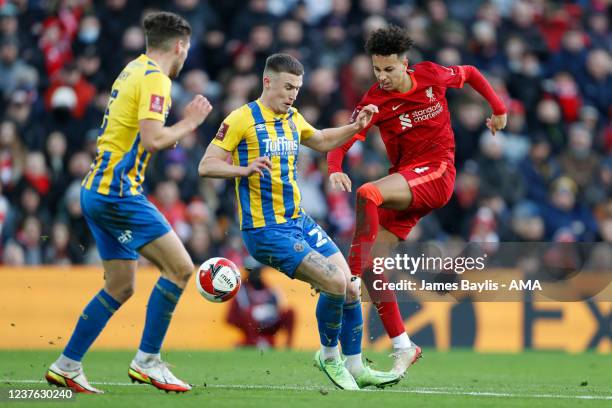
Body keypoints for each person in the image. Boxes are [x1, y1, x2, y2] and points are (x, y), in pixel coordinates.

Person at [199, 53, 399, 390]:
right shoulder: (241, 119)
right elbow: (206, 165)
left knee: (351, 284)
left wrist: (355, 127)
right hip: (266, 230)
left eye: (297, 88)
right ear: (268, 82)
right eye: (288, 87)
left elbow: (320, 140)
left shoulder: (292, 117)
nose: (293, 94)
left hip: (298, 220)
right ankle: (329, 357)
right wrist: (242, 169)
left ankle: (355, 365)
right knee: (334, 282)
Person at [45, 12, 212, 394]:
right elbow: (153, 140)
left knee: (120, 286)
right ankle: (148, 361)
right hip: (118, 193)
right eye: (187, 48)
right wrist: (191, 122)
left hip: (97, 189)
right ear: (180, 46)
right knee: (181, 268)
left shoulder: (132, 69)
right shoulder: (156, 79)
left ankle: (66, 364)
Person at [327, 25, 507, 376]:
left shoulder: (430, 75)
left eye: (389, 69)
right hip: (409, 184)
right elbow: (346, 139)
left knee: (368, 193)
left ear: (405, 63)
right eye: (377, 70)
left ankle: (345, 275)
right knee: (372, 266)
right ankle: (403, 345)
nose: (383, 77)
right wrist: (335, 166)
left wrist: (498, 108)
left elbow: (470, 73)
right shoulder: (374, 101)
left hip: (438, 173)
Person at [226, 257, 296, 349]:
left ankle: (288, 347)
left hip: (268, 323)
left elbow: (279, 308)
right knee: (249, 313)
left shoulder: (270, 289)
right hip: (250, 327)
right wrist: (250, 314)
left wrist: (270, 311)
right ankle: (252, 342)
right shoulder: (241, 291)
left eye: (257, 270)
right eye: (252, 271)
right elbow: (230, 318)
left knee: (290, 312)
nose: (255, 274)